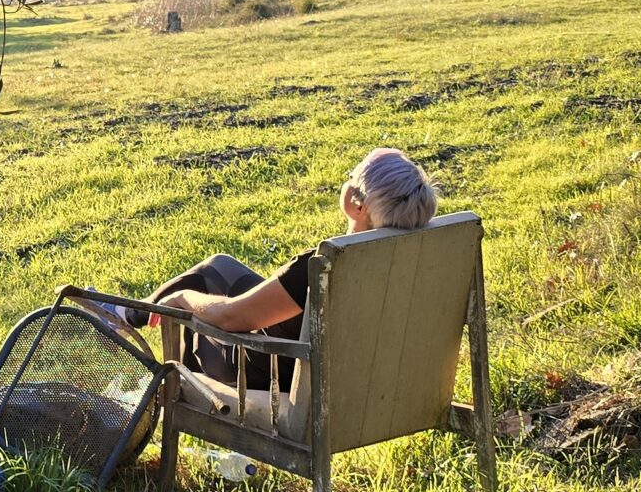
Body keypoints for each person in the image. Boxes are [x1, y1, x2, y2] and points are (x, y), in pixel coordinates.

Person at [135, 147, 439, 390]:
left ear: (357, 205)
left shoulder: (321, 267)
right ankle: (127, 313)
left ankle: (140, 352)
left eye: (350, 176)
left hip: (275, 378)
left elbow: (232, 318)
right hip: (371, 381)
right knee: (218, 267)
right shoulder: (418, 257)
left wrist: (184, 299)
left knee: (197, 306)